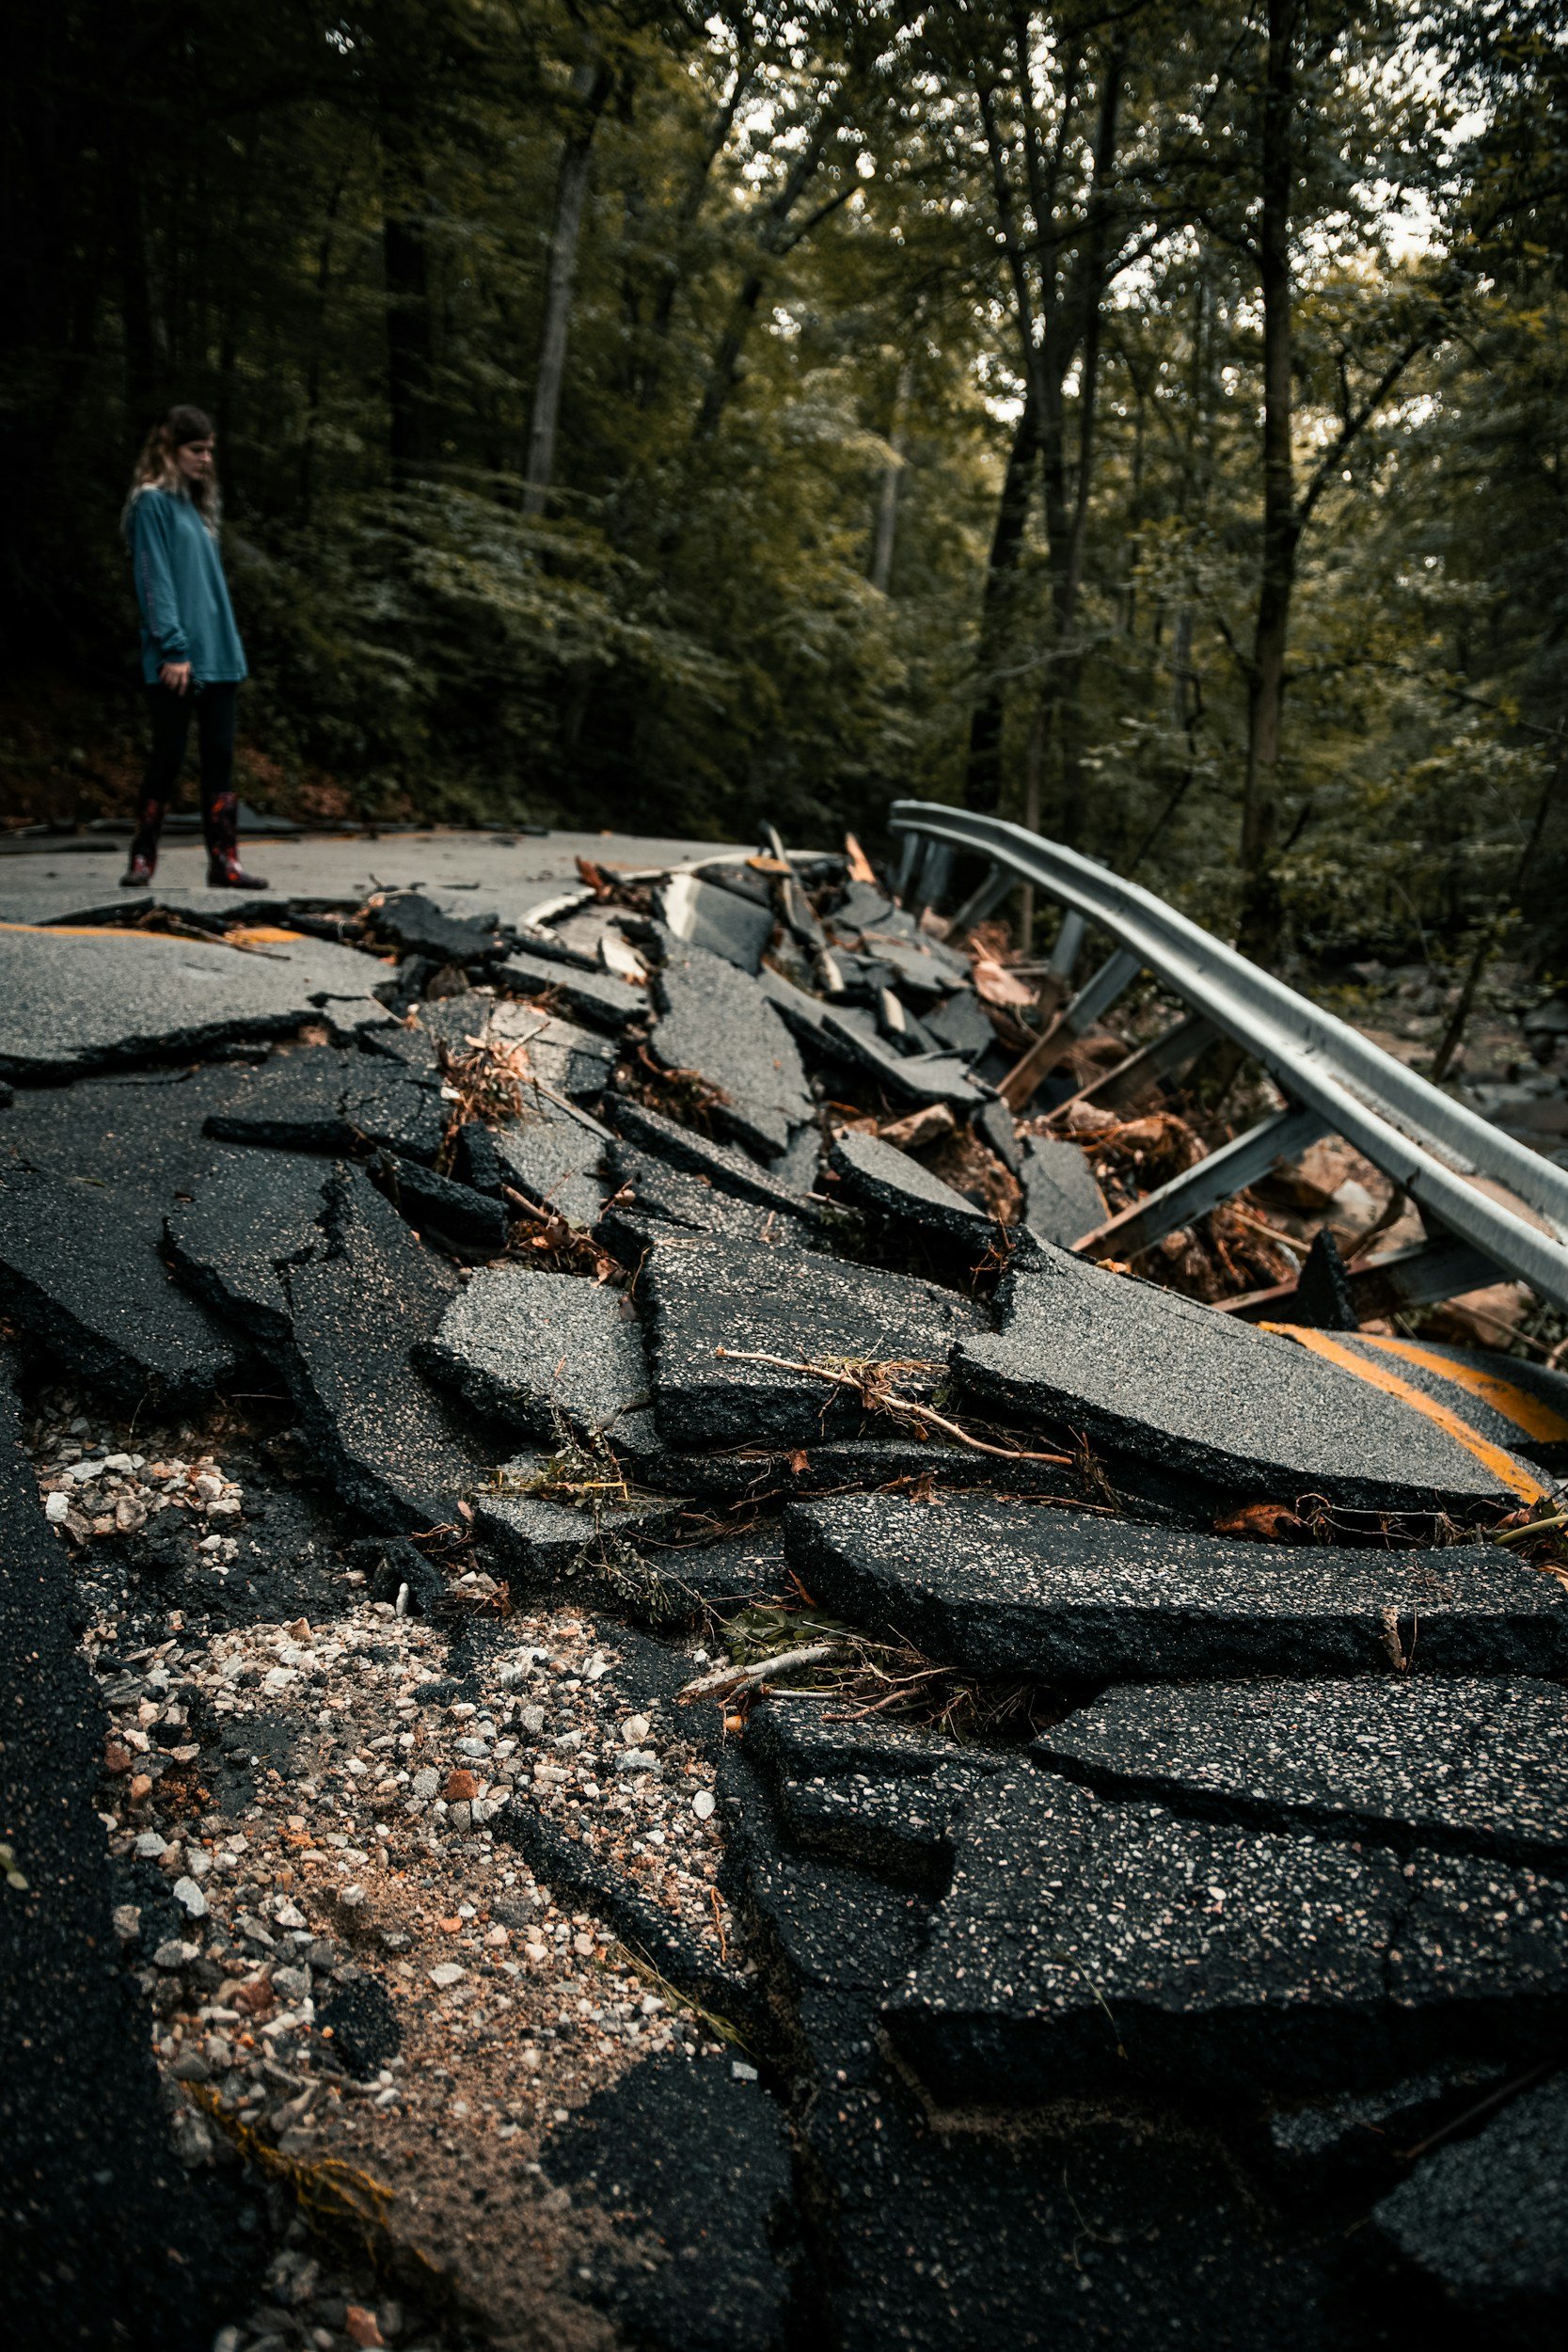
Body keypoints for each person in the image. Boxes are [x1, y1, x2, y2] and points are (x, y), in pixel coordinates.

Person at [120, 405, 267, 889]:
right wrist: (173, 647)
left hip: (219, 654)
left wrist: (221, 650)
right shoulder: (151, 503)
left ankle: (224, 862)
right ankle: (142, 857)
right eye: (195, 449)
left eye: (209, 450)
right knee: (167, 756)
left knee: (220, 758)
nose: (205, 459)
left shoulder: (197, 508)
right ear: (169, 449)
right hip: (177, 657)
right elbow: (153, 578)